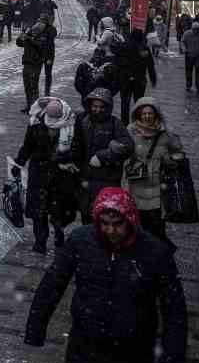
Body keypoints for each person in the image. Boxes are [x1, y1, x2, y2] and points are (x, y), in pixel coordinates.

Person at [24, 187, 188, 363]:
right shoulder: (81, 241)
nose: (111, 231)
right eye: (105, 224)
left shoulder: (154, 252)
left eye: (118, 223)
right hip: (86, 350)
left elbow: (174, 308)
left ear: (131, 220)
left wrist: (171, 358)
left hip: (133, 356)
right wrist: (35, 326)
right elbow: (53, 282)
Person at [15, 96, 82, 253]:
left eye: (55, 119)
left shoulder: (71, 123)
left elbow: (78, 147)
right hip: (39, 172)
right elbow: (28, 145)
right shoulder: (36, 123)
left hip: (61, 173)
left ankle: (59, 235)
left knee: (59, 209)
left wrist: (66, 157)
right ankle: (40, 241)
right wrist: (20, 161)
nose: (52, 122)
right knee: (39, 211)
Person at [123, 98, 186, 242]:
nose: (147, 116)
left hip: (158, 190)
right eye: (144, 113)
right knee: (136, 229)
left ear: (156, 114)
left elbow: (180, 153)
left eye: (150, 113)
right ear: (138, 114)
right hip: (136, 187)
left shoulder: (166, 134)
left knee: (156, 231)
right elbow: (124, 152)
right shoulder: (130, 131)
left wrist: (171, 160)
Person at [73, 88, 133, 223]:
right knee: (86, 216)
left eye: (101, 107)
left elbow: (127, 147)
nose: (97, 110)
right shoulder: (82, 121)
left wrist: (103, 156)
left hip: (107, 179)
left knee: (104, 217)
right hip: (85, 179)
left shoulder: (115, 124)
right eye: (94, 106)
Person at [112, 28, 156, 123]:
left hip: (125, 79)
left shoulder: (123, 46)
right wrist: (153, 79)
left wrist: (116, 79)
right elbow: (150, 65)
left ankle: (125, 122)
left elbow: (116, 63)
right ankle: (137, 121)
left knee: (125, 102)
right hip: (139, 80)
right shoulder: (144, 48)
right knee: (139, 102)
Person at [16, 14, 57, 113]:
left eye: (42, 23)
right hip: (26, 61)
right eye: (38, 22)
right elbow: (19, 43)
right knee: (27, 85)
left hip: (36, 62)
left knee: (33, 85)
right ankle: (29, 104)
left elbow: (41, 47)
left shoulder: (45, 34)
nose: (39, 25)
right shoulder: (29, 32)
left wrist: (30, 39)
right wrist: (22, 36)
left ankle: (35, 107)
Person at [181, 19, 199, 93]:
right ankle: (188, 85)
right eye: (194, 29)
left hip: (198, 56)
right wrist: (184, 49)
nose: (195, 31)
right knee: (188, 71)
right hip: (189, 55)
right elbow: (183, 41)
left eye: (197, 29)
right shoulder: (187, 34)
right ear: (192, 28)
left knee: (198, 71)